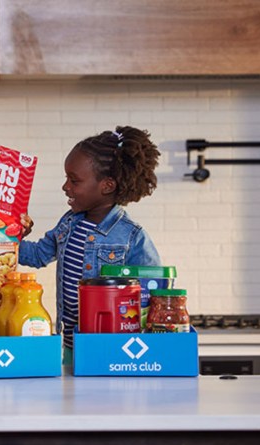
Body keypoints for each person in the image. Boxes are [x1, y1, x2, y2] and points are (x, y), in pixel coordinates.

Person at [19, 126, 162, 363]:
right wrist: (12, 235)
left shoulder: (132, 237)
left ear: (107, 185)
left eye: (74, 180)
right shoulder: (69, 223)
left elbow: (153, 298)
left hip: (112, 350)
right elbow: (36, 255)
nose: (66, 186)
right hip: (68, 347)